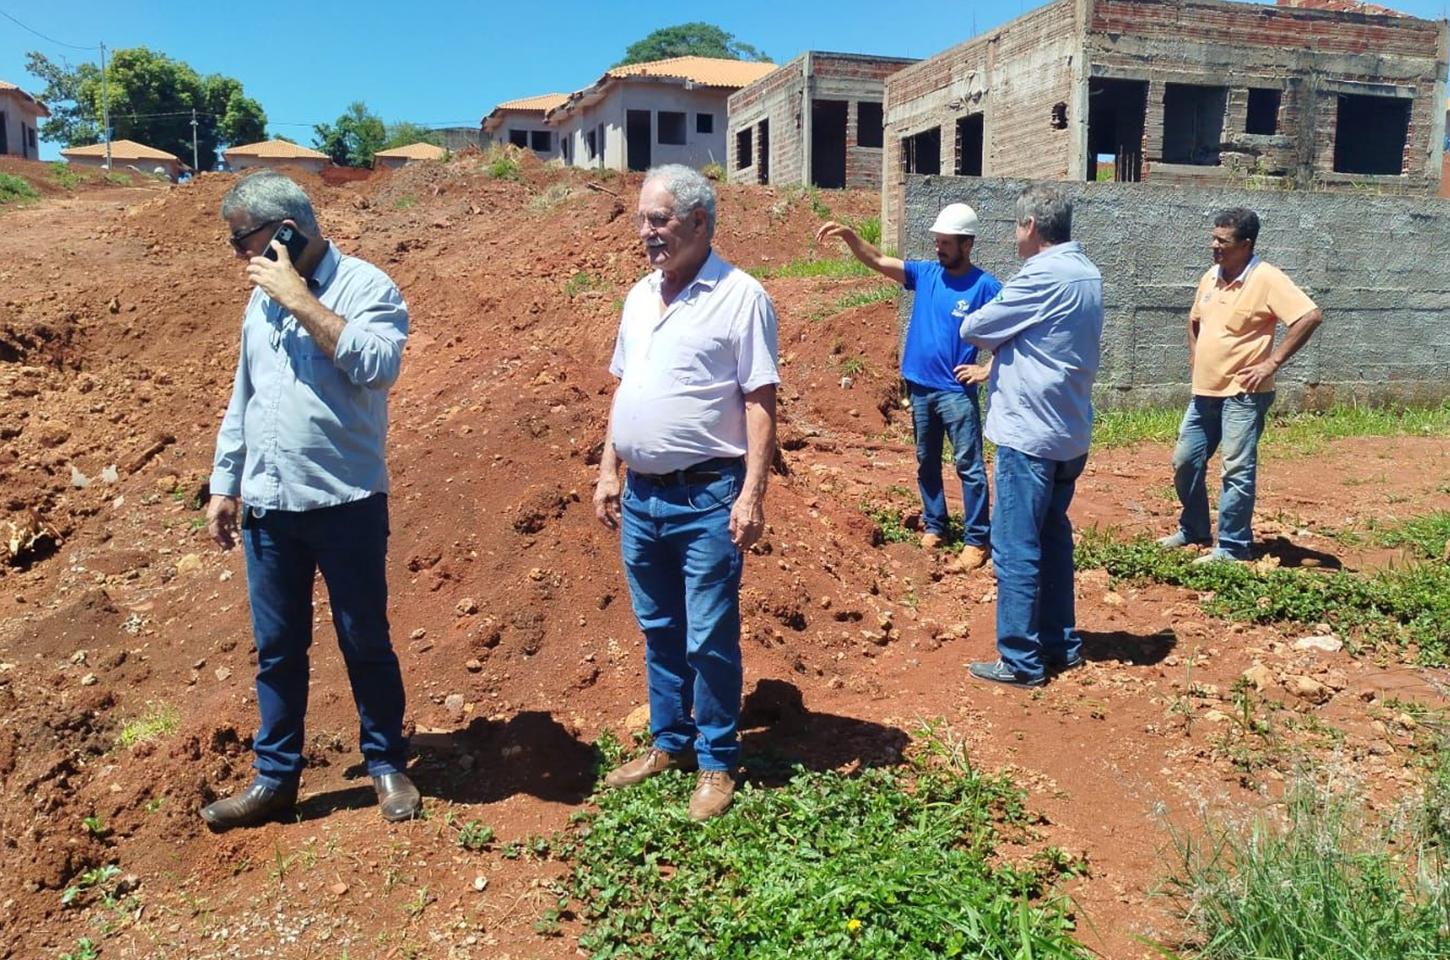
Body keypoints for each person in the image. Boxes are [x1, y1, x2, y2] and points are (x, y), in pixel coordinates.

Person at [200, 171, 419, 829]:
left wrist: (298, 298)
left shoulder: (366, 286)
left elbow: (378, 365)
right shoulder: (258, 301)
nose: (239, 254)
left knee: (364, 639)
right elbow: (244, 395)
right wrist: (225, 482)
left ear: (287, 231)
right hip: (270, 507)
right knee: (277, 649)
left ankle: (386, 763)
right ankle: (275, 778)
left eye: (244, 239)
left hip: (345, 501)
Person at [593, 164, 779, 821]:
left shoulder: (741, 296)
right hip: (642, 497)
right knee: (659, 628)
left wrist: (751, 494)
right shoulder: (640, 296)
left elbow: (760, 400)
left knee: (708, 636)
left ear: (699, 222)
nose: (645, 231)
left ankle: (718, 760)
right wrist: (609, 469)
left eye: (659, 219)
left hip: (706, 497)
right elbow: (627, 389)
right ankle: (669, 743)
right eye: (641, 219)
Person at [958, 184, 1103, 688]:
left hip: (1030, 434)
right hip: (1069, 430)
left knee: (1015, 544)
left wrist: (1003, 337)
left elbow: (976, 328)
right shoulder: (1087, 271)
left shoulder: (1041, 275)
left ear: (1030, 226)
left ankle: (1020, 659)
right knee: (1053, 537)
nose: (1015, 236)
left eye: (1016, 227)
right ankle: (1061, 643)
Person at [816, 205, 1000, 570]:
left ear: (967, 244)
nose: (939, 248)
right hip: (920, 388)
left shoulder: (986, 287)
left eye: (946, 243)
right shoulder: (925, 273)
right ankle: (935, 525)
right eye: (938, 241)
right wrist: (851, 236)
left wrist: (986, 370)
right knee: (926, 462)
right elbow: (879, 260)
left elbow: (1016, 331)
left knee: (969, 467)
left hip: (955, 393)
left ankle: (977, 540)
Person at [1159, 208, 1323, 563]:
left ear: (1246, 244)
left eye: (1223, 240)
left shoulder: (1267, 278)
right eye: (1213, 238)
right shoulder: (1210, 277)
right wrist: (1195, 355)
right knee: (1185, 461)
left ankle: (1233, 546)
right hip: (1205, 392)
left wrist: (1271, 363)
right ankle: (1195, 528)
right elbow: (1194, 320)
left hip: (1244, 395)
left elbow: (1310, 316)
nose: (1214, 245)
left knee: (1235, 468)